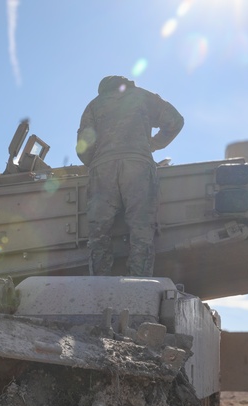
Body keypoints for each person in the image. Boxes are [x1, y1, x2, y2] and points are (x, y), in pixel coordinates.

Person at [76, 75, 184, 277]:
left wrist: (98, 161)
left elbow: (83, 148)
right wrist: (152, 144)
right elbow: (175, 121)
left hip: (103, 168)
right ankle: (139, 283)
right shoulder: (143, 96)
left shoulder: (94, 105)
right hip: (138, 166)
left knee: (99, 232)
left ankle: (99, 284)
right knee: (141, 230)